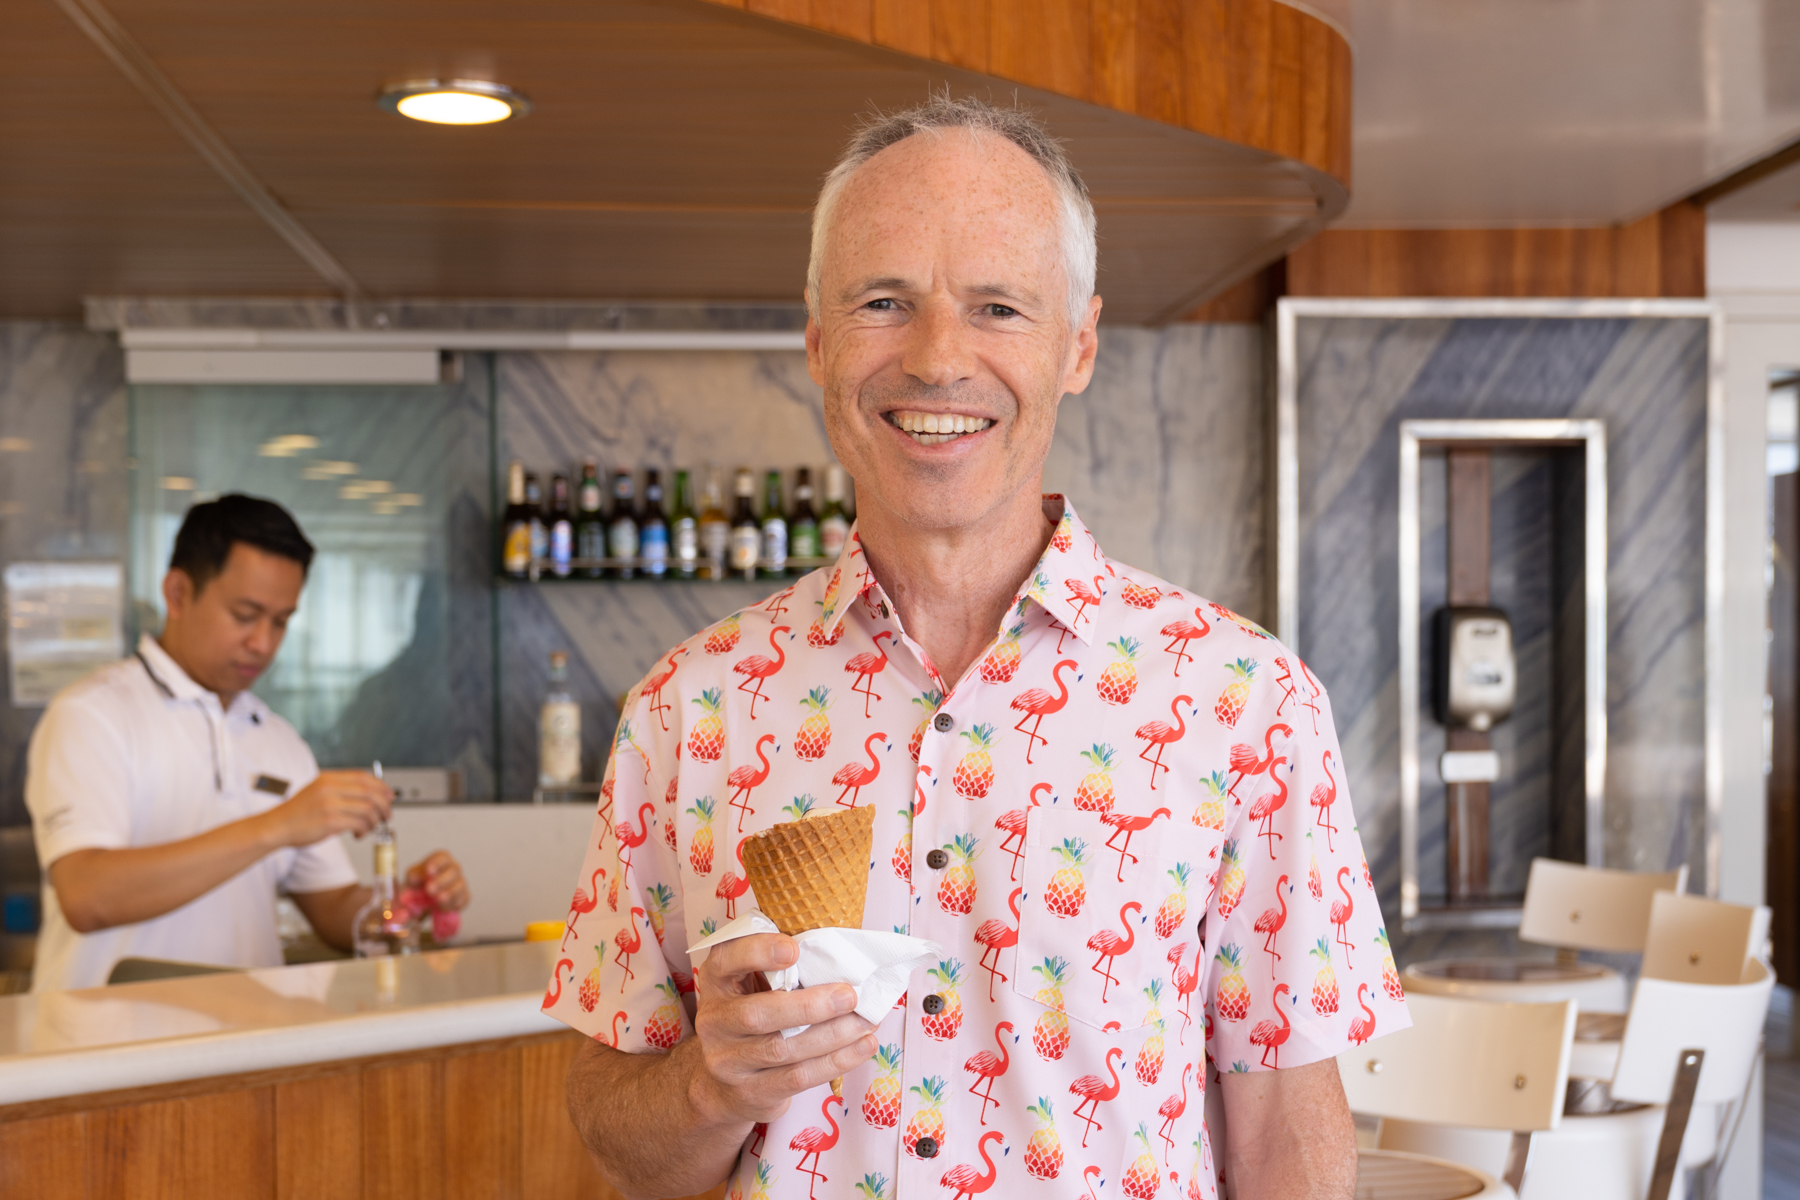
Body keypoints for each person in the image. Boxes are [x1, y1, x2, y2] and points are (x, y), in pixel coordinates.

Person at [549, 97, 1404, 1199]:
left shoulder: (1247, 701)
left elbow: (1289, 1130)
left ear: (1078, 345)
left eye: (998, 306)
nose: (939, 357)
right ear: (816, 344)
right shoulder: (687, 711)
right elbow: (617, 1142)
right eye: (883, 302)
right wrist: (711, 1090)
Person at [25, 494, 470, 991]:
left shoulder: (277, 739)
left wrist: (401, 905)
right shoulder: (93, 714)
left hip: (247, 1050)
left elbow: (332, 910)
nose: (263, 642)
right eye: (245, 614)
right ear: (177, 593)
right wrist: (277, 825)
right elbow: (88, 896)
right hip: (109, 1056)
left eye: (281, 621)